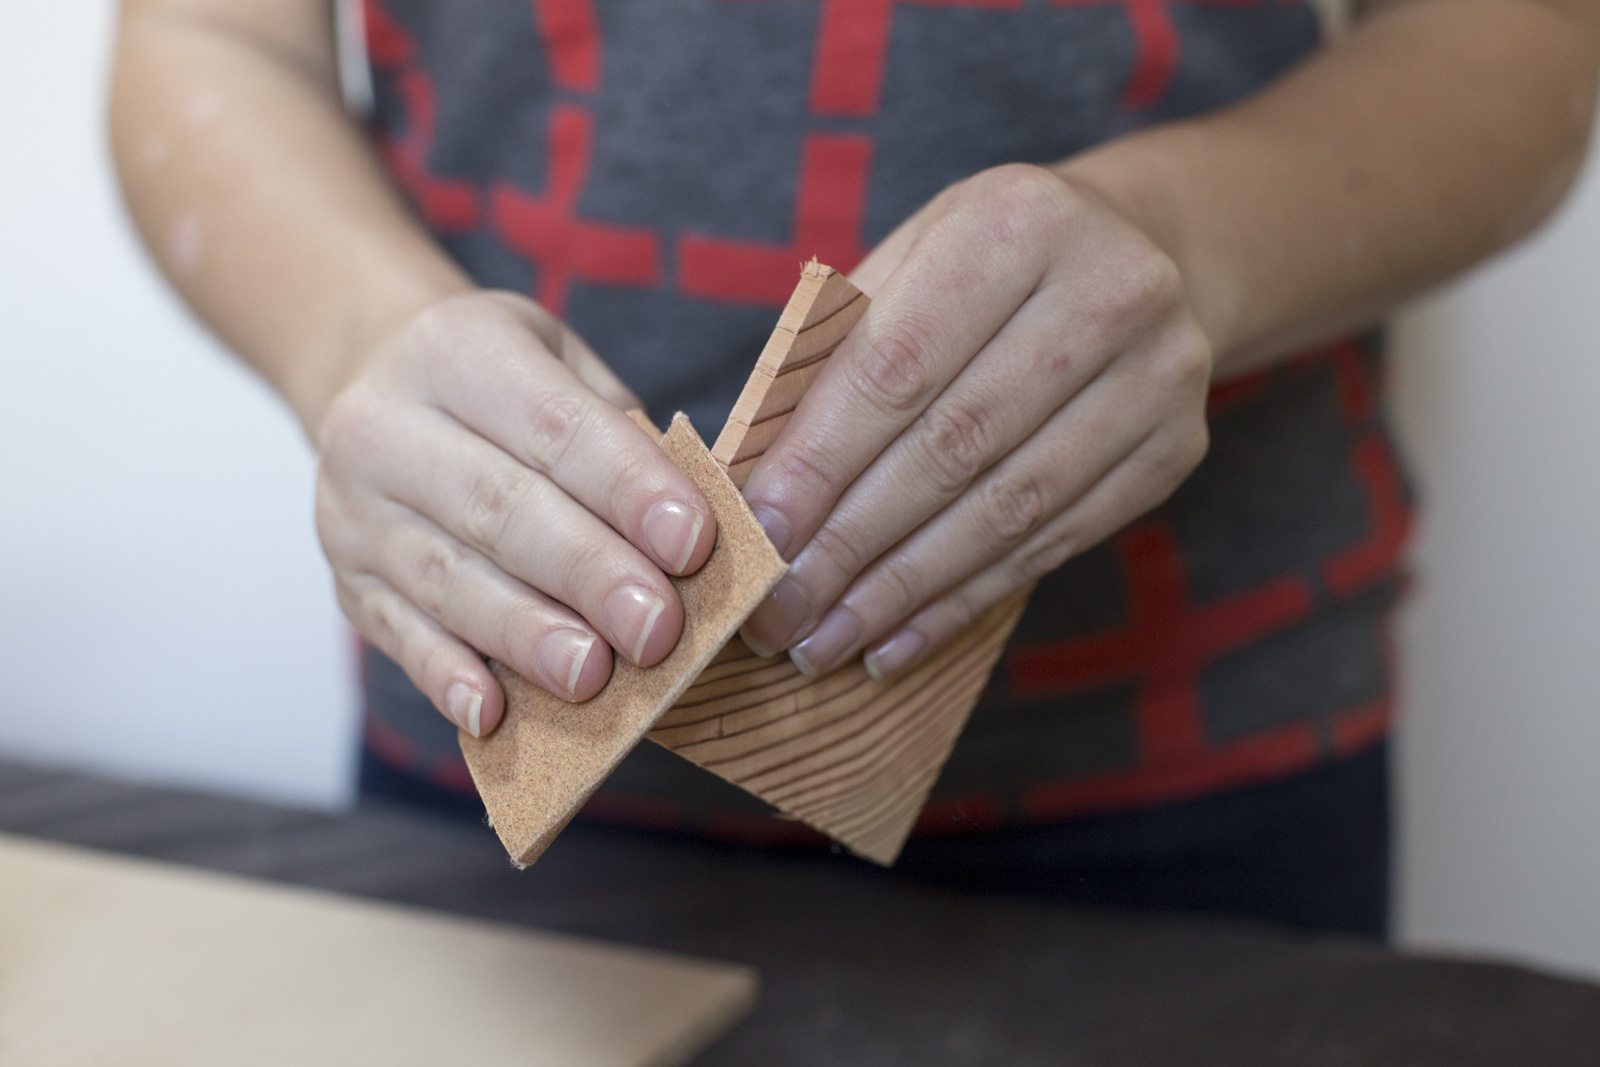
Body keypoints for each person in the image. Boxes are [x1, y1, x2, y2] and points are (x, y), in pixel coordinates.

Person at [111, 0, 1598, 936]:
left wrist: (1195, 241)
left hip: (1190, 766)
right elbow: (211, 33)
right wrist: (356, 332)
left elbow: (1519, 39)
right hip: (504, 714)